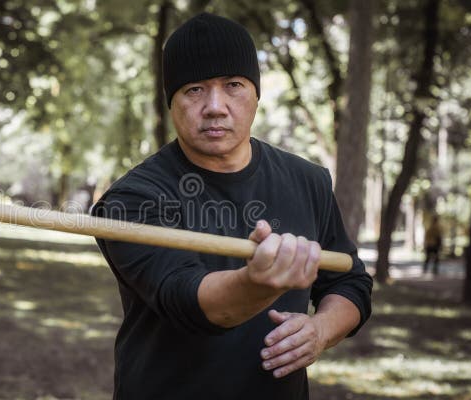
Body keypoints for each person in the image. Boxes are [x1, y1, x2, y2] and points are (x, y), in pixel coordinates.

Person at [91, 12, 373, 399]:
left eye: (234, 85)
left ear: (257, 94)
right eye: (194, 89)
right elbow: (189, 302)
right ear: (170, 101)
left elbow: (349, 281)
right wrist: (260, 281)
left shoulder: (309, 181)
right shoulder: (131, 199)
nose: (215, 106)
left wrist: (320, 330)